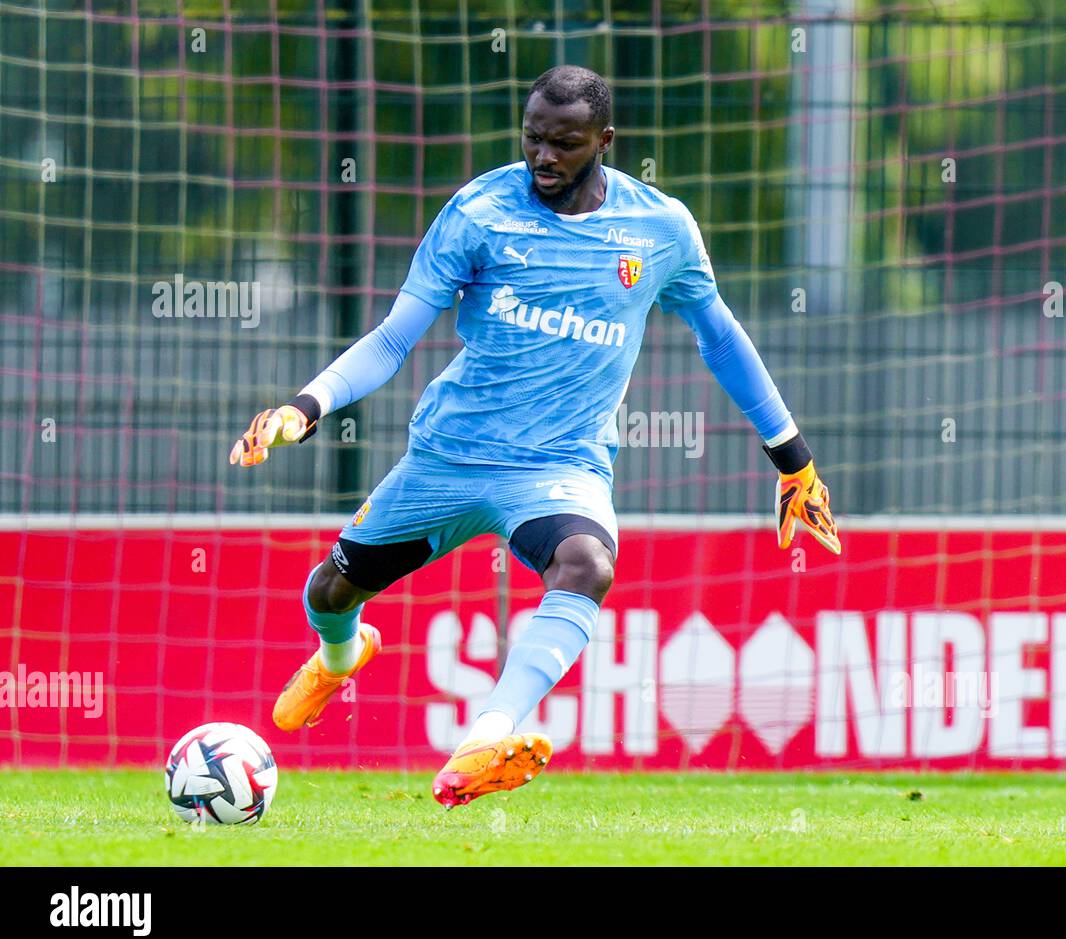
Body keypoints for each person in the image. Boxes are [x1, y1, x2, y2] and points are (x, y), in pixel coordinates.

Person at [229, 65, 840, 809]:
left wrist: (793, 460)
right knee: (331, 590)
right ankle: (340, 653)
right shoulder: (479, 212)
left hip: (560, 465)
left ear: (604, 142)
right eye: (533, 139)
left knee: (587, 565)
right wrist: (306, 406)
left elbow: (721, 339)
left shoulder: (661, 230)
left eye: (565, 143)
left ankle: (483, 740)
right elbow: (393, 339)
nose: (544, 157)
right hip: (448, 457)